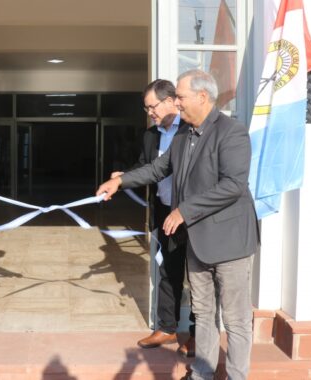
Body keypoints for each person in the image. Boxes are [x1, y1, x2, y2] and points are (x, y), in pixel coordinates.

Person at [97, 69, 259, 380]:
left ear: (202, 96)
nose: (177, 103)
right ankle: (202, 372)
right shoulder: (184, 134)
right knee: (203, 313)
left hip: (230, 243)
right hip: (198, 242)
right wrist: (121, 182)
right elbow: (159, 168)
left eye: (181, 97)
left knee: (236, 320)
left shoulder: (232, 132)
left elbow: (233, 185)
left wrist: (184, 211)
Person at [112, 79, 195, 356]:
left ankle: (196, 334)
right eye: (146, 108)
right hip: (163, 210)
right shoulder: (150, 135)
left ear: (171, 100)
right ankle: (167, 327)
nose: (150, 112)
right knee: (167, 271)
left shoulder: (192, 130)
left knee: (197, 276)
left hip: (191, 213)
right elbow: (145, 167)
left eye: (152, 106)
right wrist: (123, 177)